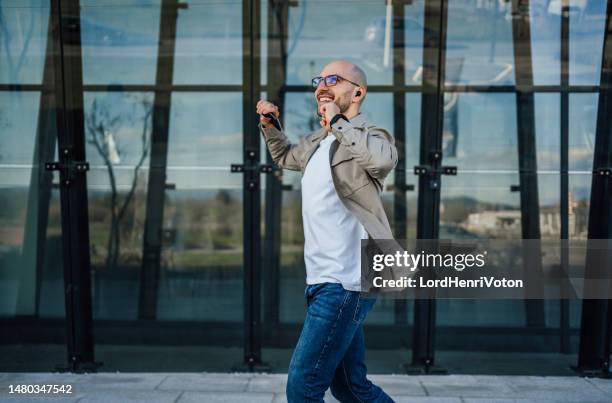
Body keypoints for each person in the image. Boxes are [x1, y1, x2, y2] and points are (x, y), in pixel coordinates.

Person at [256, 60, 397, 403]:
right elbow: (286, 156)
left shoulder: (372, 136)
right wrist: (271, 126)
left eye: (333, 79)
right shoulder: (320, 141)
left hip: (346, 280)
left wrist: (338, 120)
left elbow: (380, 162)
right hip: (322, 279)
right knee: (351, 387)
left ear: (358, 92)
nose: (321, 85)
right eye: (318, 79)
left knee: (302, 389)